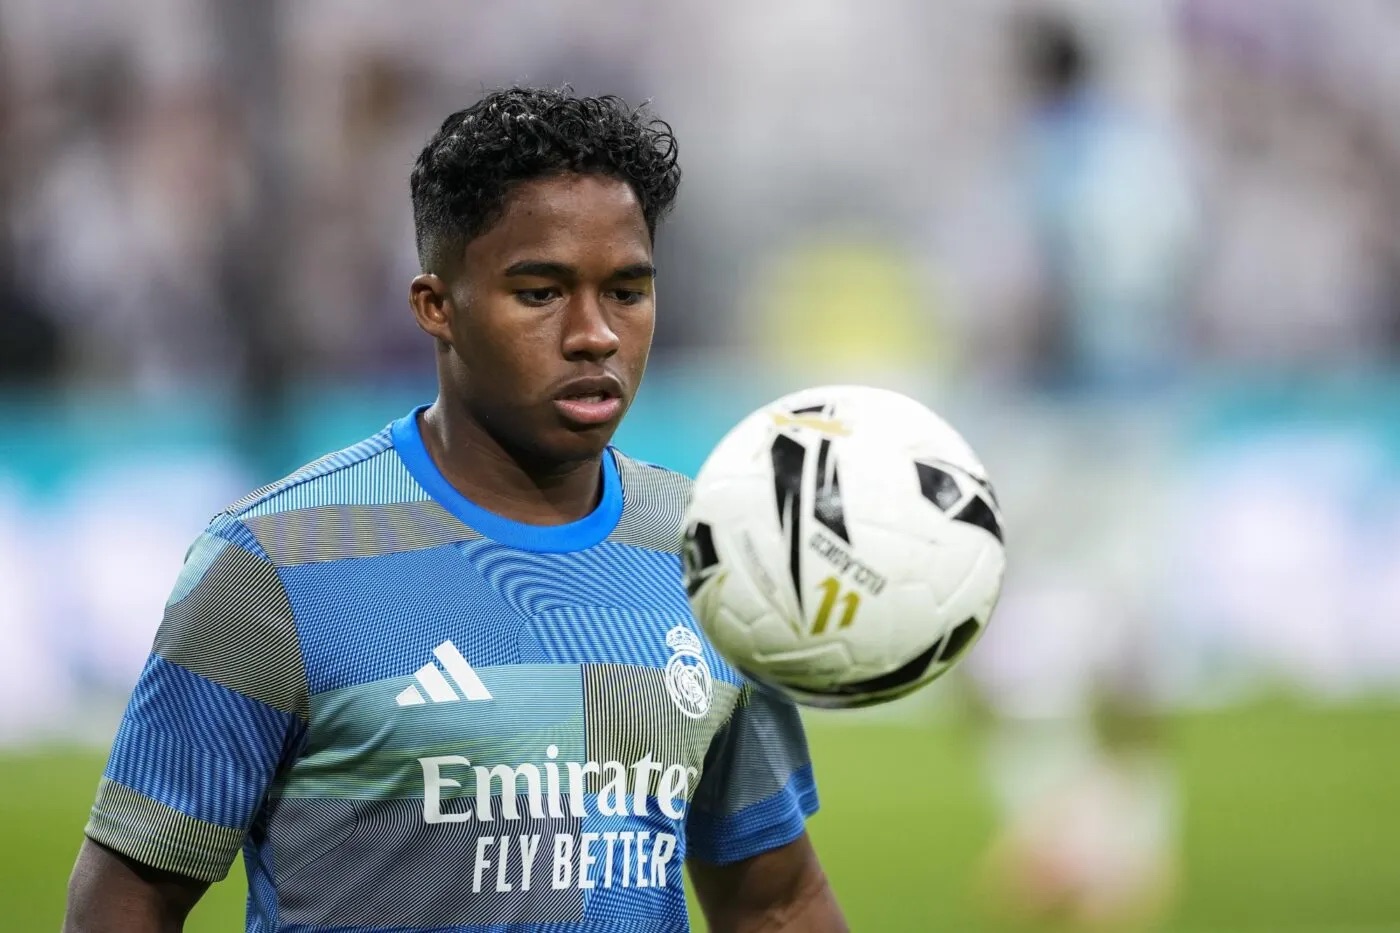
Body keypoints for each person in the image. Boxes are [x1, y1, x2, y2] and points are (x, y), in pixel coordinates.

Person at [64, 86, 845, 933]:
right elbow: (129, 897)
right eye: (540, 292)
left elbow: (776, 901)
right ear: (436, 307)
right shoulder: (274, 561)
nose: (595, 333)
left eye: (627, 291)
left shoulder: (708, 551)